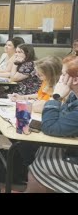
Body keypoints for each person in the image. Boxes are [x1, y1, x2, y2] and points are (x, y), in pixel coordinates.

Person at [25, 55, 78, 193]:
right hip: (72, 148)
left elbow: (51, 127)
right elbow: (60, 117)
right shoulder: (73, 95)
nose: (60, 78)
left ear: (75, 79)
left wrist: (56, 96)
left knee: (40, 166)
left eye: (63, 75)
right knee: (40, 149)